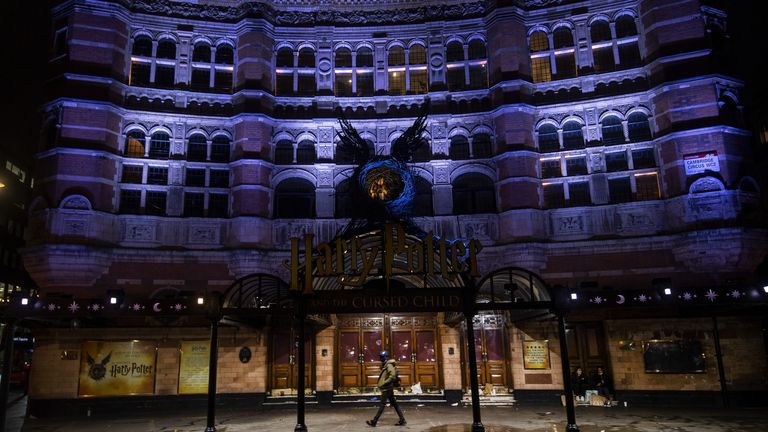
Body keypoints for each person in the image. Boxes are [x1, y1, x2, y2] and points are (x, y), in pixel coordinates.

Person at [366, 351, 406, 427]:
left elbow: (392, 376)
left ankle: (374, 421)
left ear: (385, 357)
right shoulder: (386, 365)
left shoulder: (389, 365)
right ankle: (402, 420)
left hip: (386, 388)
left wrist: (384, 383)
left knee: (382, 405)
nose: (380, 358)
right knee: (395, 404)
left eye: (381, 357)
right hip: (388, 388)